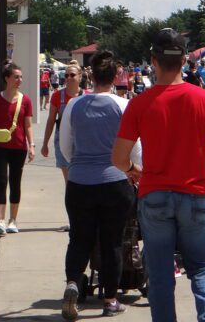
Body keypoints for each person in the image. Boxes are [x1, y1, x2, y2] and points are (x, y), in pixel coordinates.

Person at [113, 28, 205, 322]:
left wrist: (135, 172)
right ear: (184, 61)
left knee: (159, 273)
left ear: (153, 61)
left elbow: (118, 159)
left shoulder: (139, 104)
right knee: (202, 267)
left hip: (154, 195)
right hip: (194, 194)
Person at [59, 50, 140, 319]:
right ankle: (109, 299)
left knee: (79, 238)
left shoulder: (74, 105)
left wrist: (81, 164)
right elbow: (136, 149)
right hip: (114, 182)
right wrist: (134, 169)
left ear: (90, 76)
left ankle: (73, 282)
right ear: (116, 75)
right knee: (112, 242)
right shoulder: (123, 105)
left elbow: (66, 147)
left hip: (80, 182)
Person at [0, 62, 34, 235]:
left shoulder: (26, 100)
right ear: (7, 78)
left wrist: (31, 145)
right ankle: (0, 220)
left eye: (21, 77)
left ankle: (13, 220)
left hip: (18, 147)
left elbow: (28, 125)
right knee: (1, 182)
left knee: (15, 182)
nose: (20, 80)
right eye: (16, 77)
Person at [41, 64, 87, 183]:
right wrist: (45, 144)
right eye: (66, 75)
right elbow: (51, 120)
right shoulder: (57, 96)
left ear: (80, 77)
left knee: (82, 178)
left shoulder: (87, 95)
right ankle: (71, 201)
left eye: (72, 75)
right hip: (62, 140)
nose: (69, 78)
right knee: (69, 180)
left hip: (82, 141)